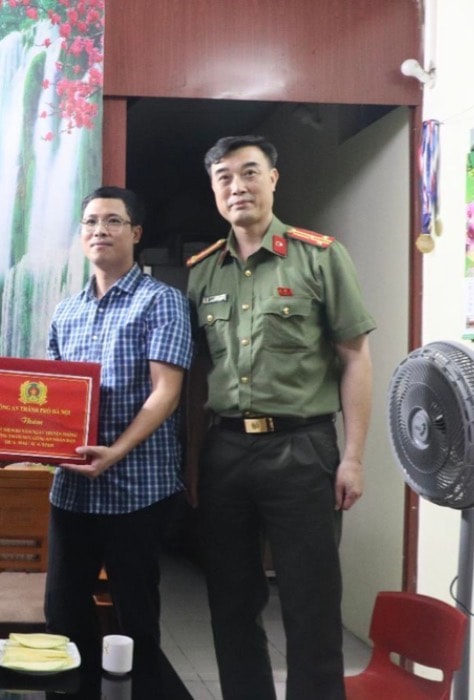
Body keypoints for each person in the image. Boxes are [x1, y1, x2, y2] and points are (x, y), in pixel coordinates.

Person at [186, 135, 375, 700]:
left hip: (303, 449)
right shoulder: (203, 272)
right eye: (223, 177)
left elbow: (355, 358)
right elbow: (197, 376)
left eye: (249, 172)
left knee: (310, 599)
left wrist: (353, 458)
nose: (237, 186)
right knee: (230, 599)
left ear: (273, 179)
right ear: (214, 189)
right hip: (224, 450)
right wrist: (194, 460)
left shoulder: (320, 256)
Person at [45, 186, 192, 692]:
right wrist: (21, 444)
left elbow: (166, 392)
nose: (99, 230)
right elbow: (53, 401)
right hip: (73, 491)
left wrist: (115, 452)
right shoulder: (66, 311)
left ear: (136, 233)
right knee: (63, 614)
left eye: (113, 221)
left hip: (137, 490)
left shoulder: (162, 302)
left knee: (136, 618)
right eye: (90, 222)